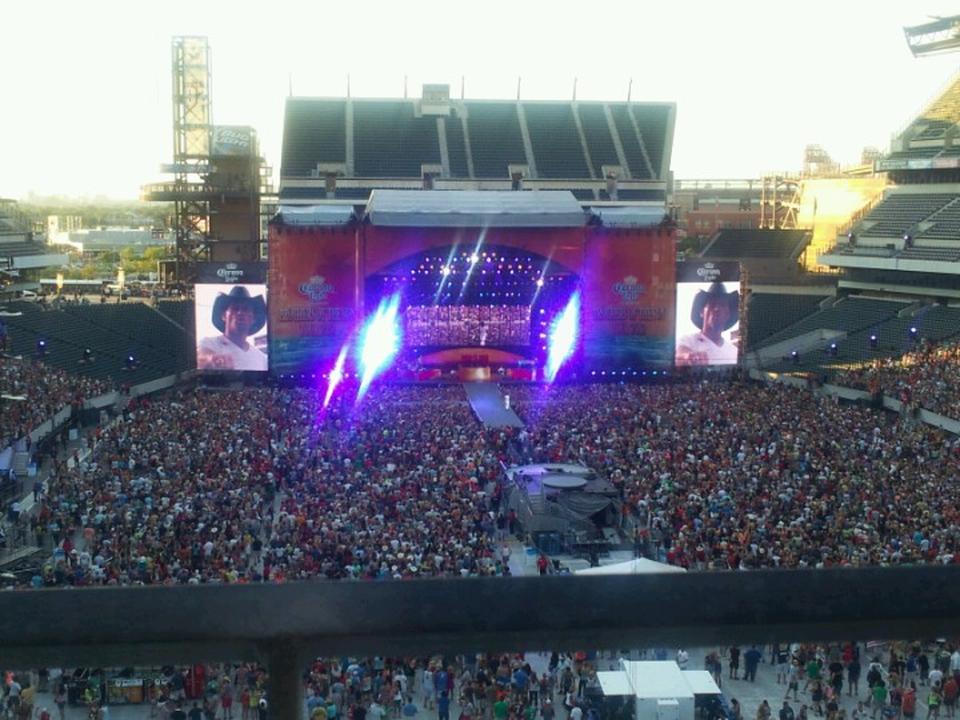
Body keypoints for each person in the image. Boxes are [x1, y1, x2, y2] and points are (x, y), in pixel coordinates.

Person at [197, 286, 268, 371]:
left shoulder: (262, 358)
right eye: (235, 308)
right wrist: (212, 360)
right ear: (224, 316)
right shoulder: (210, 343)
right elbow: (200, 358)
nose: (240, 312)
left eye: (245, 309)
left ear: (253, 319)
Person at [675, 282, 740, 366]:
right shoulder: (688, 340)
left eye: (722, 305)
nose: (716, 309)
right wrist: (688, 357)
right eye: (712, 305)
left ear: (728, 314)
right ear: (702, 312)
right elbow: (679, 356)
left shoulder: (734, 352)